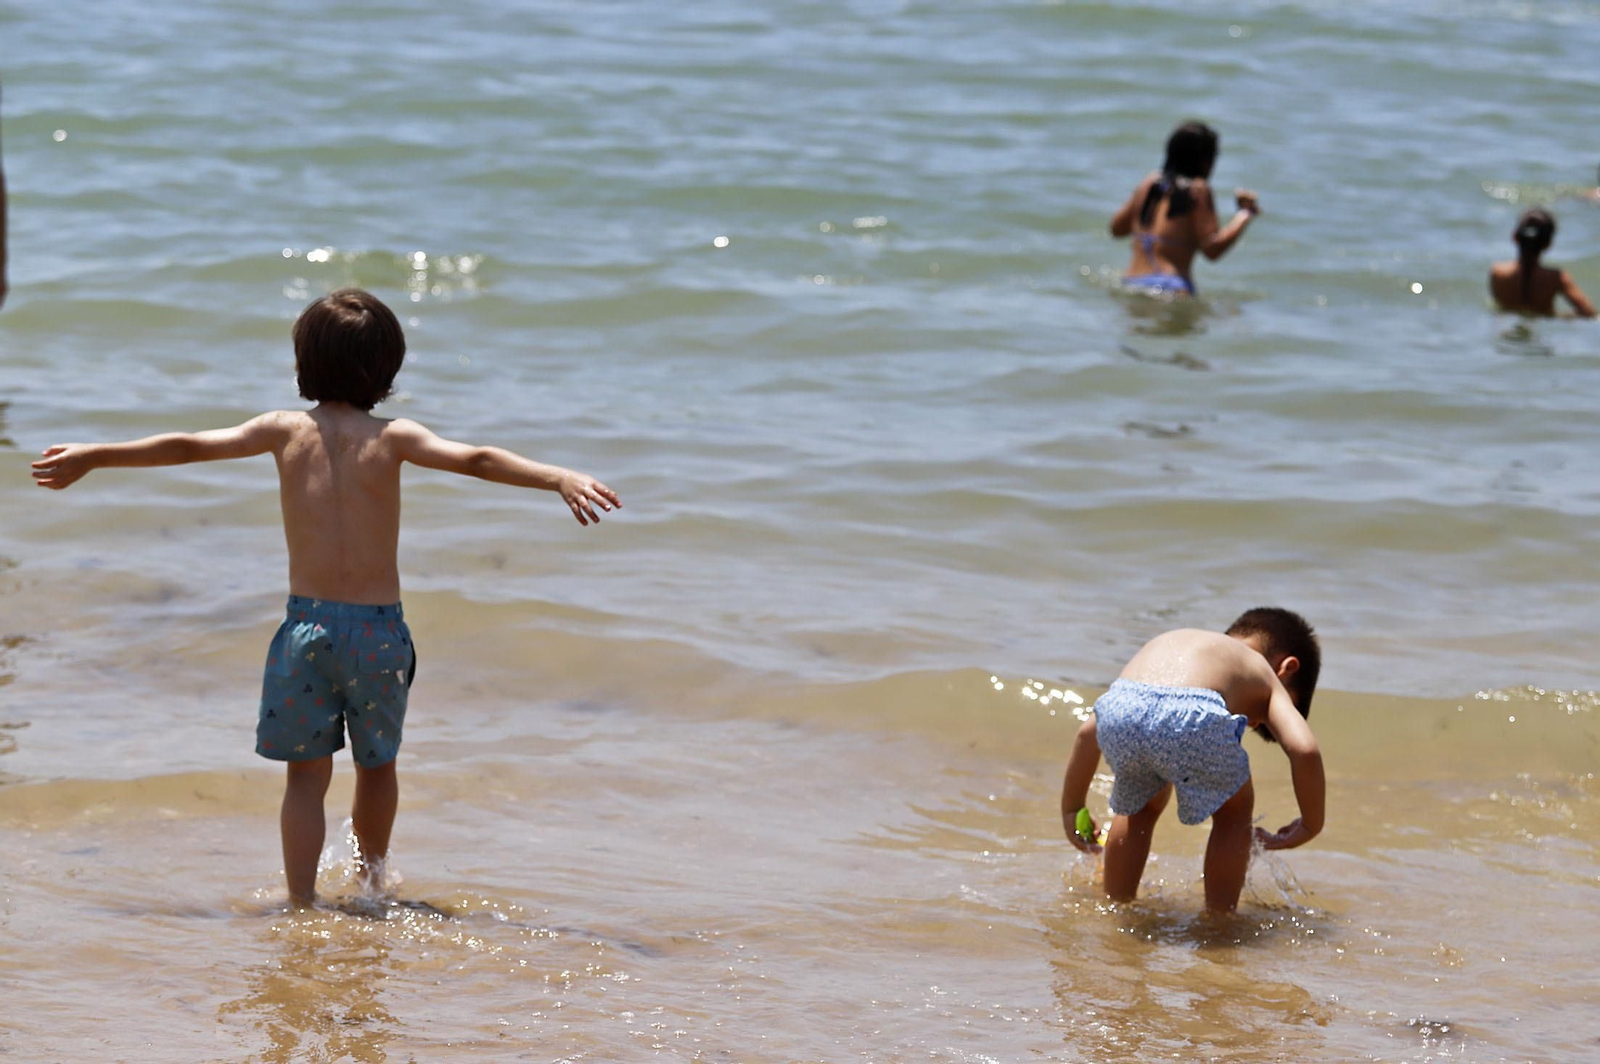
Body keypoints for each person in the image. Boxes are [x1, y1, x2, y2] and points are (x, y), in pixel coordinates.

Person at [30, 288, 622, 907]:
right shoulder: (395, 437)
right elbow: (475, 458)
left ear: (303, 362)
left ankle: (300, 900)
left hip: (306, 633)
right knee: (377, 767)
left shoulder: (283, 431)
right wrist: (558, 476)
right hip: (377, 637)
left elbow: (189, 445)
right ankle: (372, 887)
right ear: (387, 369)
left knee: (306, 777)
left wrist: (97, 455)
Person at [1059, 607, 1324, 912]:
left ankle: (1116, 907)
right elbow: (1305, 750)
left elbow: (1086, 734)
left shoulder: (1175, 644)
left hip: (1122, 710)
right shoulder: (1260, 669)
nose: (1251, 723)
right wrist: (1310, 824)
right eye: (1260, 719)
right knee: (1234, 813)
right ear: (1286, 668)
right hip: (1194, 717)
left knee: (1138, 809)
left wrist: (1072, 807)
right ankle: (1218, 920)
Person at [1109, 121, 1258, 298]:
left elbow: (1116, 229)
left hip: (1132, 283)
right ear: (1205, 160)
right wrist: (1244, 215)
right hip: (1171, 286)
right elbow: (1212, 249)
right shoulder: (1198, 189)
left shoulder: (1150, 183)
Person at [1488, 208, 1595, 318]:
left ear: (1515, 237)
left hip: (1506, 330)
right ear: (1548, 244)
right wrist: (1560, 317)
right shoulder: (1556, 278)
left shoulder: (1497, 272)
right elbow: (1588, 313)